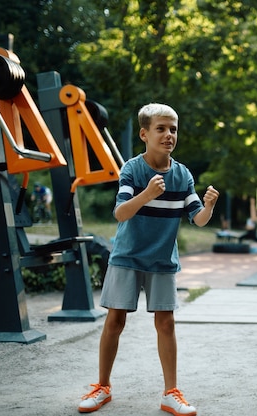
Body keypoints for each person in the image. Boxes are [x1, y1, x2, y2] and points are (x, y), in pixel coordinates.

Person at [78, 103, 219, 416]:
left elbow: (198, 220)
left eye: (173, 129)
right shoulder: (132, 169)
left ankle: (171, 393)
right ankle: (102, 386)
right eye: (161, 128)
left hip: (162, 260)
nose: (168, 135)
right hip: (126, 257)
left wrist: (208, 206)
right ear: (144, 133)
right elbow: (121, 212)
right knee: (115, 321)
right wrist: (147, 195)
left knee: (166, 323)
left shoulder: (183, 175)